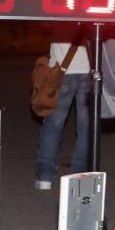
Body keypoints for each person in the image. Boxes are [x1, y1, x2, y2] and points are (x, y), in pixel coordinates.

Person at [35, 26, 91, 190]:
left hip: (61, 69)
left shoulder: (59, 2)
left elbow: (43, 30)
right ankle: (78, 177)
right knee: (86, 126)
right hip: (89, 68)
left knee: (53, 123)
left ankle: (45, 176)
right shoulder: (93, 3)